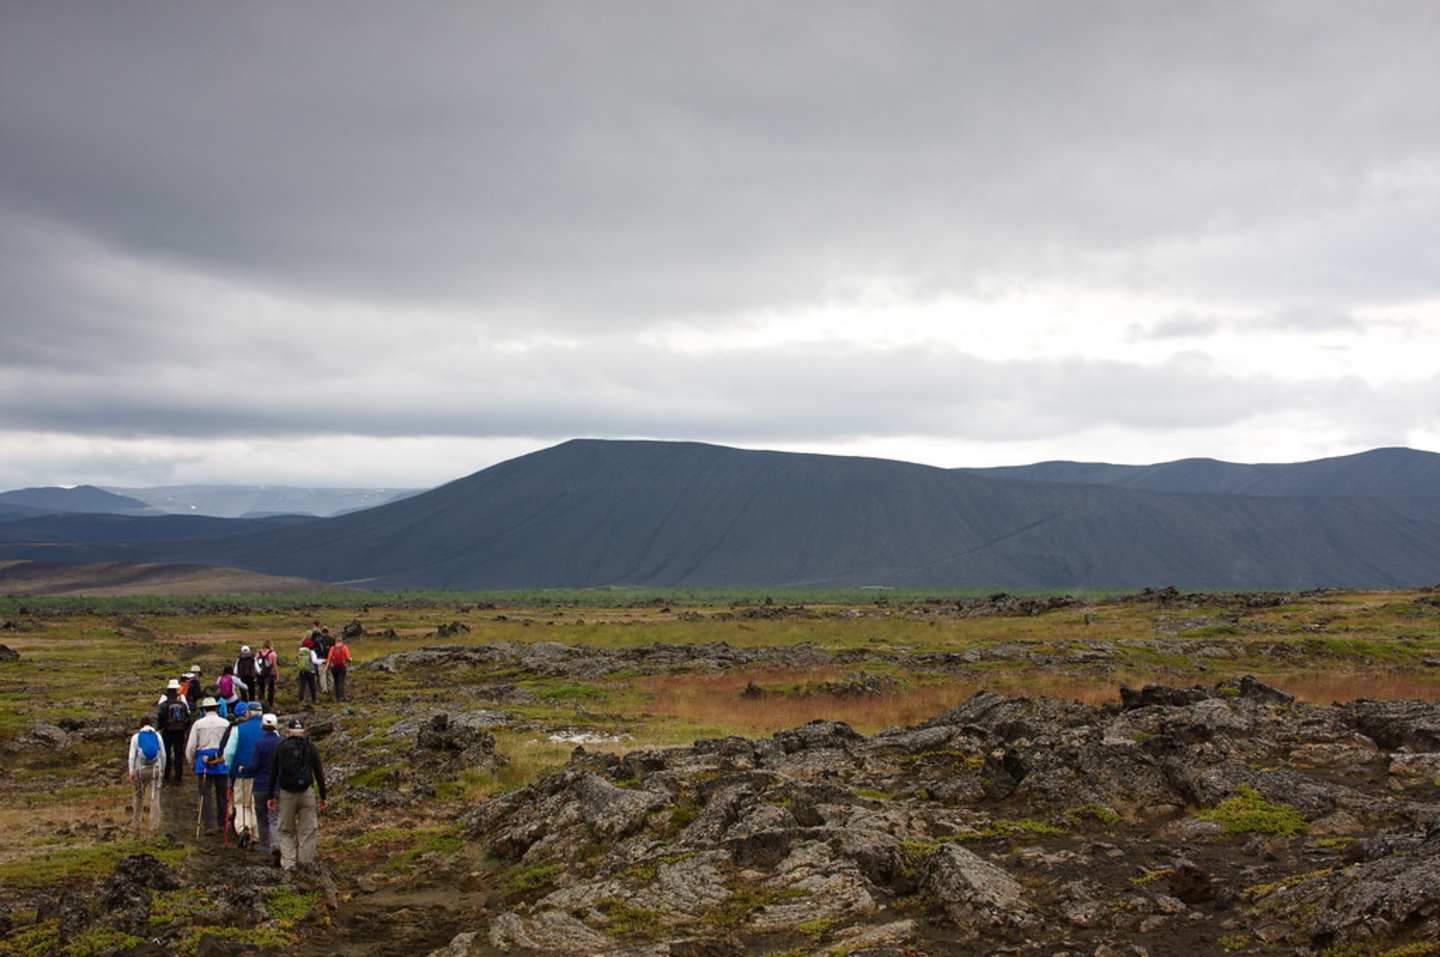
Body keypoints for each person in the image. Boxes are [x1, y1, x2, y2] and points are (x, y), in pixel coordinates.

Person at [266, 718, 327, 870]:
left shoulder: (281, 746)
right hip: (307, 792)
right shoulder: (309, 746)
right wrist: (323, 796)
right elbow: (318, 772)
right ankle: (306, 863)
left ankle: (288, 864)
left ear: (288, 732)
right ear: (303, 731)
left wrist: (270, 796)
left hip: (287, 793)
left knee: (286, 829)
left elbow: (273, 772)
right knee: (307, 829)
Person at [184, 697, 230, 837]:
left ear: (204, 709)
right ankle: (222, 823)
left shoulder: (198, 724)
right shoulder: (225, 723)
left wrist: (191, 760)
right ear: (216, 708)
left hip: (203, 760)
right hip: (221, 759)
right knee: (222, 794)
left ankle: (208, 825)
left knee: (205, 795)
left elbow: (191, 745)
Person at [223, 703, 265, 848]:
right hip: (262, 775)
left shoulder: (238, 730)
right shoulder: (270, 731)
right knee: (256, 804)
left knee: (241, 803)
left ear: (248, 713)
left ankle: (243, 828)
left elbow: (229, 752)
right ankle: (256, 833)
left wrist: (230, 769)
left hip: (242, 772)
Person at [250, 713, 282, 861]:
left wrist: (245, 769)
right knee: (275, 817)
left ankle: (265, 848)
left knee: (262, 818)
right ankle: (277, 844)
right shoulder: (281, 742)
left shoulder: (259, 743)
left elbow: (255, 765)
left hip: (261, 786)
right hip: (277, 786)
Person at [127, 718, 165, 831]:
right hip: (155, 769)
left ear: (141, 725)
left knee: (138, 796)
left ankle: (136, 823)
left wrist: (131, 772)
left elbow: (132, 756)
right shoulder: (158, 736)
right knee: (155, 798)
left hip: (140, 771)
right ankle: (154, 826)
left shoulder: (136, 737)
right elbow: (163, 755)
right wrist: (162, 768)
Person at [155, 679, 191, 785]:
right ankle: (178, 776)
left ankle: (166, 775)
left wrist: (160, 727)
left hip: (167, 730)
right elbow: (188, 717)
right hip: (180, 731)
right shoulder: (182, 703)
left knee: (166, 752)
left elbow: (160, 717)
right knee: (178, 753)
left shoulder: (164, 704)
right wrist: (184, 728)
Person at [326, 635, 351, 701]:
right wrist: (350, 660)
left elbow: (329, 658)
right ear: (341, 641)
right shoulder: (344, 647)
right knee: (341, 682)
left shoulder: (332, 648)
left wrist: (327, 666)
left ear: (336, 641)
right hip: (342, 667)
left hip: (334, 667)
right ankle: (342, 696)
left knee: (336, 682)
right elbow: (348, 657)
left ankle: (337, 697)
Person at [256, 641, 278, 710]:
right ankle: (270, 704)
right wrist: (277, 674)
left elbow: (255, 663)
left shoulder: (258, 653)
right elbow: (274, 665)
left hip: (260, 674)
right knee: (271, 689)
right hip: (270, 674)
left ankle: (260, 703)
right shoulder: (272, 653)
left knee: (261, 689)